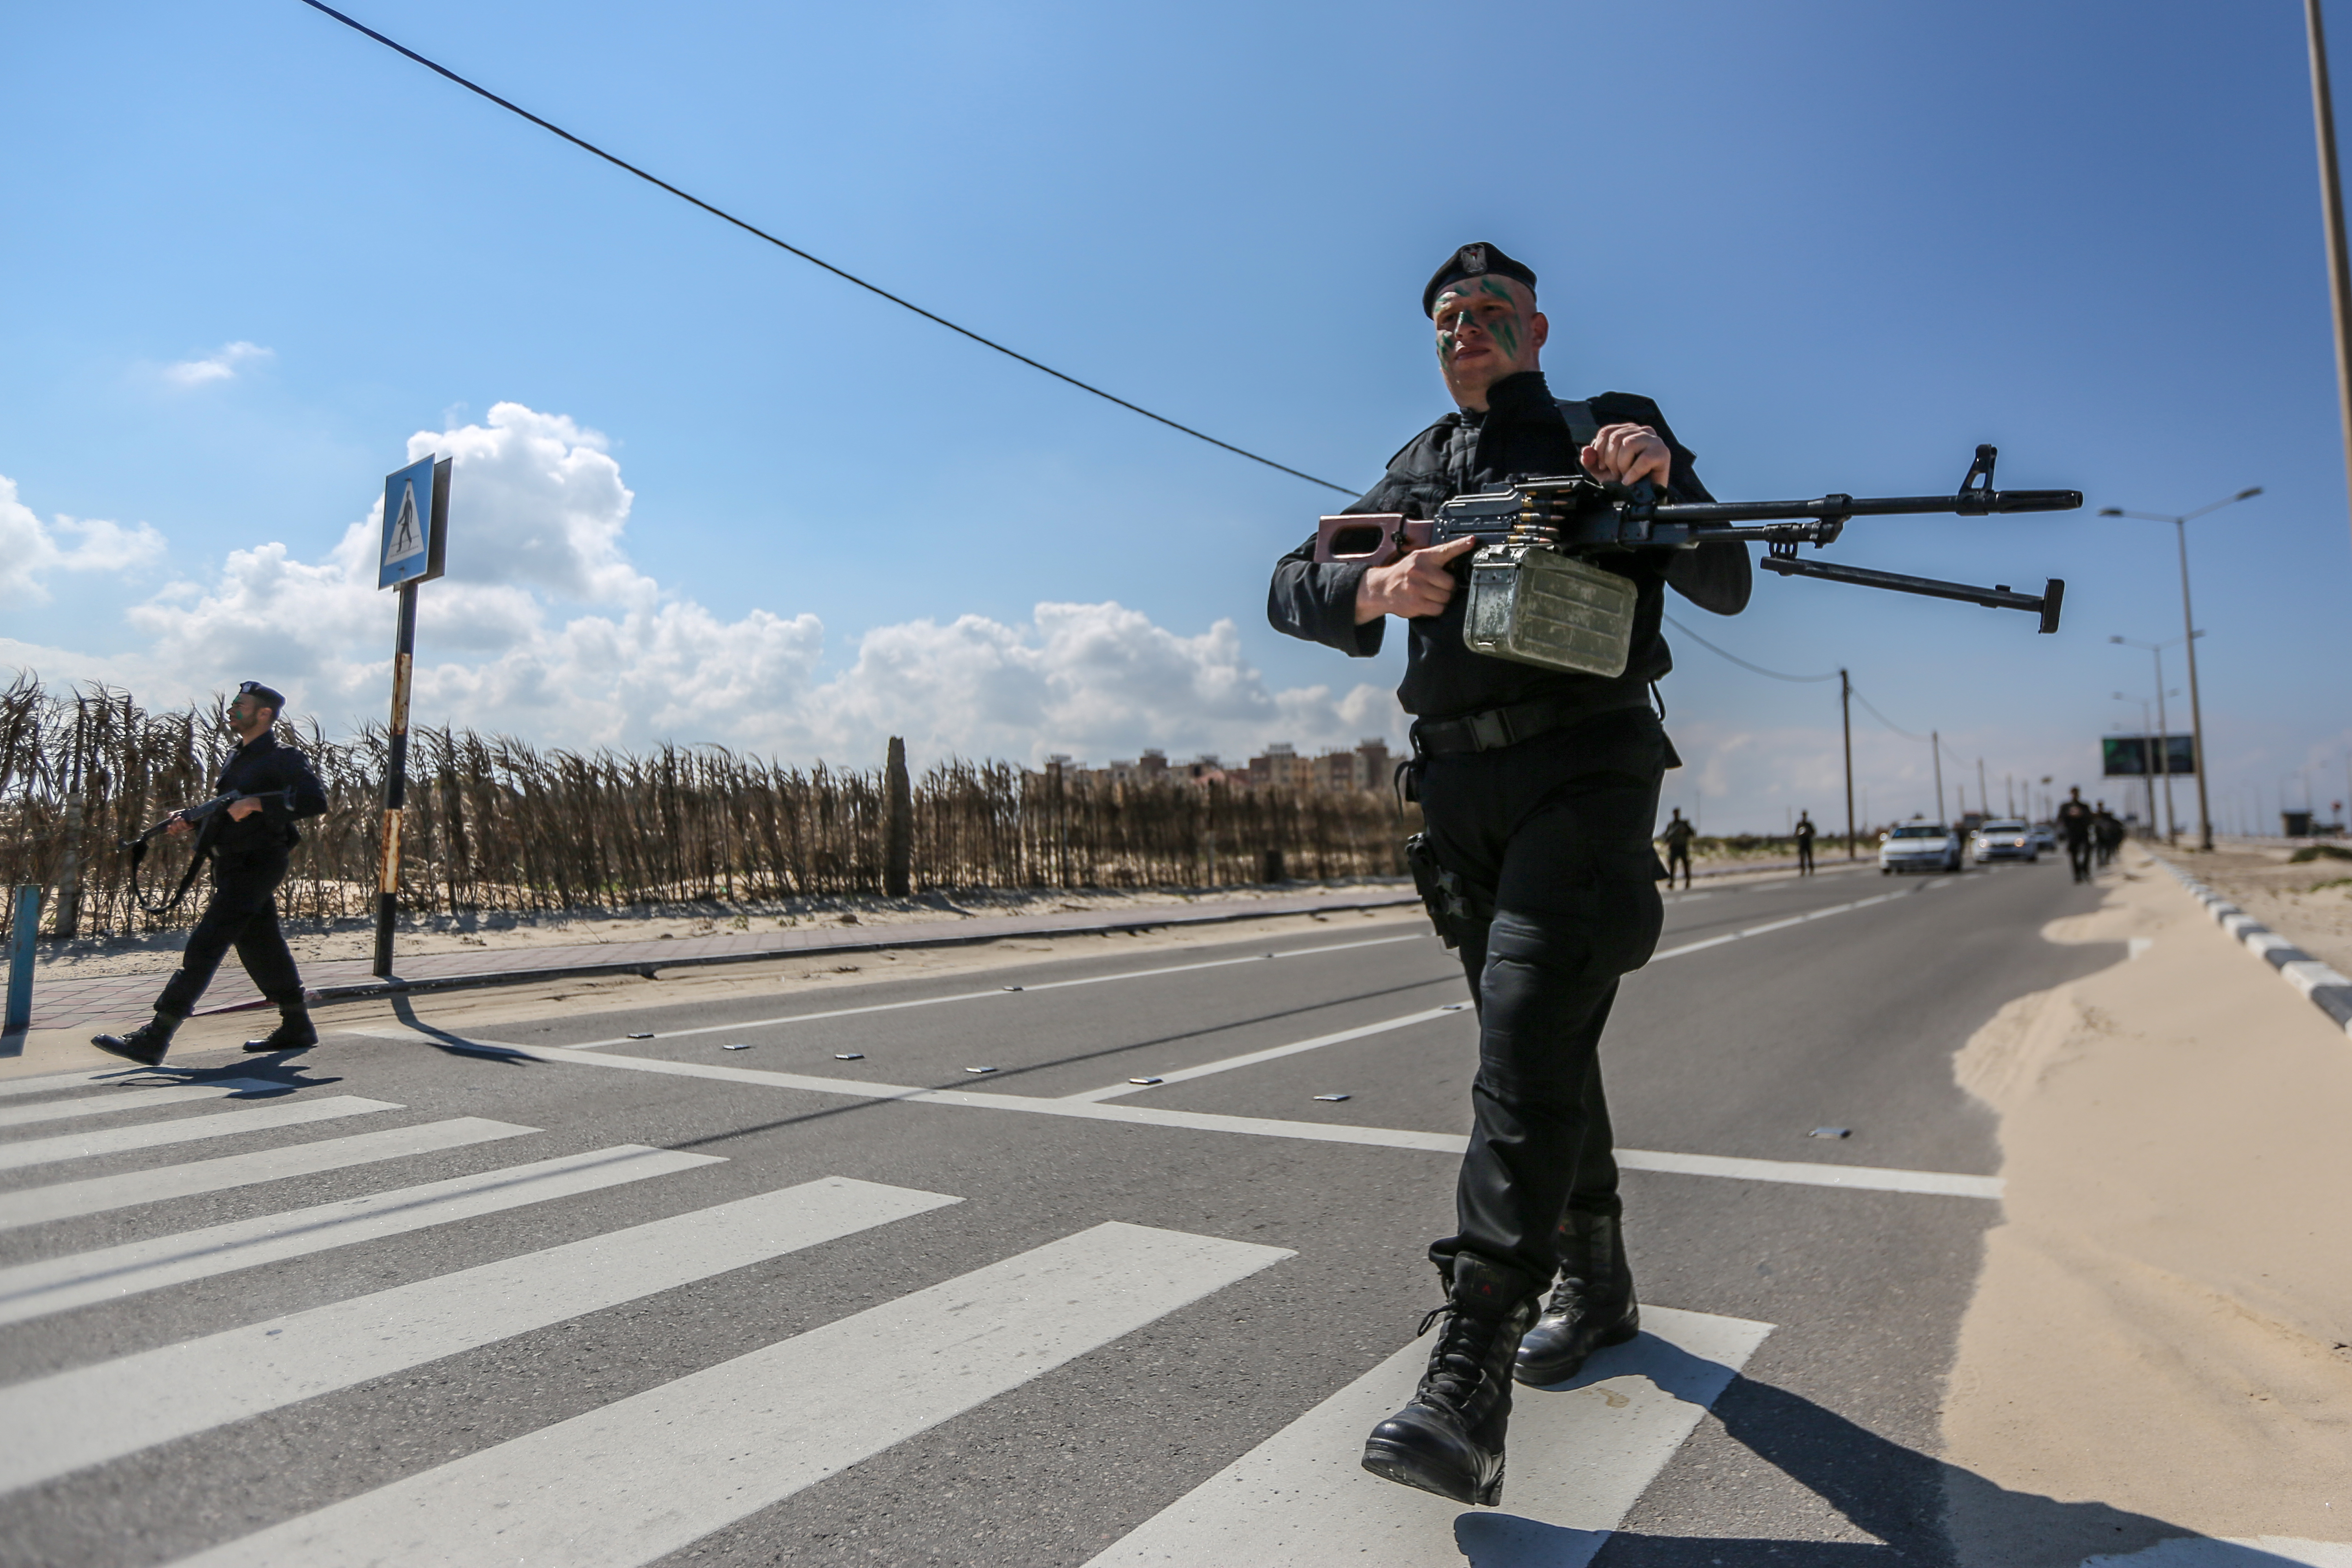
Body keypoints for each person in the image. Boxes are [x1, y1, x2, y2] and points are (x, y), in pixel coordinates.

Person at [1266, 241, 1751, 1506]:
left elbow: (1726, 576)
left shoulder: (1608, 430)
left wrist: (1656, 480)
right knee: (1535, 1044)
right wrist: (1375, 583)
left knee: (1523, 1037)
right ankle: (1597, 1282)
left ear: (1535, 330)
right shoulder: (1415, 467)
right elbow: (1287, 581)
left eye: (1488, 313)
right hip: (1455, 792)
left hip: (1584, 774)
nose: (1463, 328)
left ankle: (1467, 1371)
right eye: (1445, 316)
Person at [93, 682, 329, 1066]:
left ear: (264, 714)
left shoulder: (284, 756)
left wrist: (257, 803)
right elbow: (227, 812)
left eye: (241, 705)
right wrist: (190, 821)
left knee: (207, 943)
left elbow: (314, 801)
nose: (232, 710)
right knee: (260, 944)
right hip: (232, 862)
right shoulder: (239, 757)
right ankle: (296, 1024)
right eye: (233, 704)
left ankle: (156, 1035)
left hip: (258, 862)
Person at [2057, 786, 2095, 884]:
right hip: (2072, 833)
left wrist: (2081, 815)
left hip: (2083, 832)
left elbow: (2090, 818)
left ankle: (2085, 871)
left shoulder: (2084, 806)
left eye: (2076, 793)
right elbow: (2060, 819)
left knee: (2088, 851)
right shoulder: (2066, 806)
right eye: (2074, 793)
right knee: (2073, 854)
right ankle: (2077, 875)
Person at [1661, 808, 1697, 889]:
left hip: (1682, 846)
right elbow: (1666, 836)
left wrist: (1685, 832)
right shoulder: (1671, 825)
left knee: (1685, 865)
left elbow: (1693, 833)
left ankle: (1688, 881)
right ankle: (1672, 882)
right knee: (1672, 866)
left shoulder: (1684, 824)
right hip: (1674, 847)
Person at [2093, 802, 2122, 867]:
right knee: (2100, 849)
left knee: (2107, 849)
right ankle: (2100, 861)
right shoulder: (2096, 815)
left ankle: (2106, 860)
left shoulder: (2106, 815)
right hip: (2099, 835)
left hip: (2107, 835)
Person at [1793, 811, 1816, 876]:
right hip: (1802, 842)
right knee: (1802, 857)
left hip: (1808, 842)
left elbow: (1814, 833)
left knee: (1809, 857)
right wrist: (1799, 834)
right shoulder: (1799, 824)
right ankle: (1802, 870)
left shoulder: (1809, 824)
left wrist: (1808, 833)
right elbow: (1795, 834)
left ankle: (1811, 869)